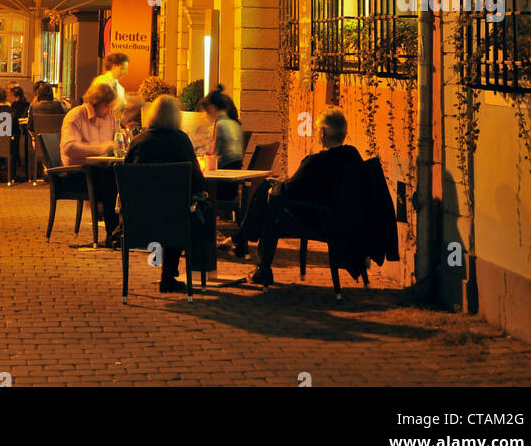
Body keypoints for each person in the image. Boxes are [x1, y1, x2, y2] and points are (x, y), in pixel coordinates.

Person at [229, 107, 364, 287]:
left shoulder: (316, 162)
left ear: (322, 132)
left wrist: (274, 187)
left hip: (314, 219)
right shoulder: (353, 157)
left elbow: (289, 189)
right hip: (340, 219)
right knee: (270, 192)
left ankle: (253, 253)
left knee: (270, 206)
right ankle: (244, 240)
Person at [123, 95, 208, 293]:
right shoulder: (181, 141)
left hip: (139, 220)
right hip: (175, 221)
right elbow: (198, 181)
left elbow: (127, 178)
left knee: (169, 209)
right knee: (180, 210)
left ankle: (166, 275)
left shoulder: (138, 142)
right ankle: (169, 275)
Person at [60, 80, 119, 245]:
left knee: (124, 176)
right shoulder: (76, 116)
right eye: (107, 106)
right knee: (110, 179)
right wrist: (100, 149)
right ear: (96, 103)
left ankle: (124, 231)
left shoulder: (109, 118)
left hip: (100, 170)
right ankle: (112, 234)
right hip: (75, 174)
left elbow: (116, 140)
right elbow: (69, 147)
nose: (109, 110)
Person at [199, 87, 243, 168]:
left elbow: (215, 154)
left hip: (225, 171)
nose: (205, 116)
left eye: (206, 112)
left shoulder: (220, 125)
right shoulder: (235, 124)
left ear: (211, 108)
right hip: (237, 169)